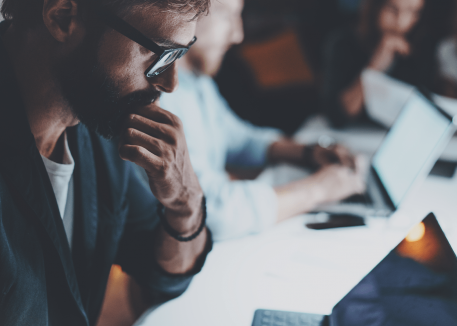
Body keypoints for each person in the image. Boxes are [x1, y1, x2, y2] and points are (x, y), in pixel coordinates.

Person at [0, 0, 213, 324]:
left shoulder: (95, 121)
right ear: (62, 17)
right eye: (160, 54)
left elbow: (162, 275)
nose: (170, 83)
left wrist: (185, 202)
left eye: (178, 56)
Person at [158, 0, 365, 241]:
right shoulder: (162, 97)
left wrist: (306, 153)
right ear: (183, 15)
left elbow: (236, 138)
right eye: (227, 16)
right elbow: (210, 211)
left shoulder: (195, 78)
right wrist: (318, 189)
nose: (238, 35)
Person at [322, 0, 438, 127]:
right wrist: (374, 67)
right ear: (373, 6)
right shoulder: (342, 43)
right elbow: (338, 117)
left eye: (412, 11)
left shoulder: (424, 47)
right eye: (392, 9)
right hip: (356, 137)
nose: (401, 20)